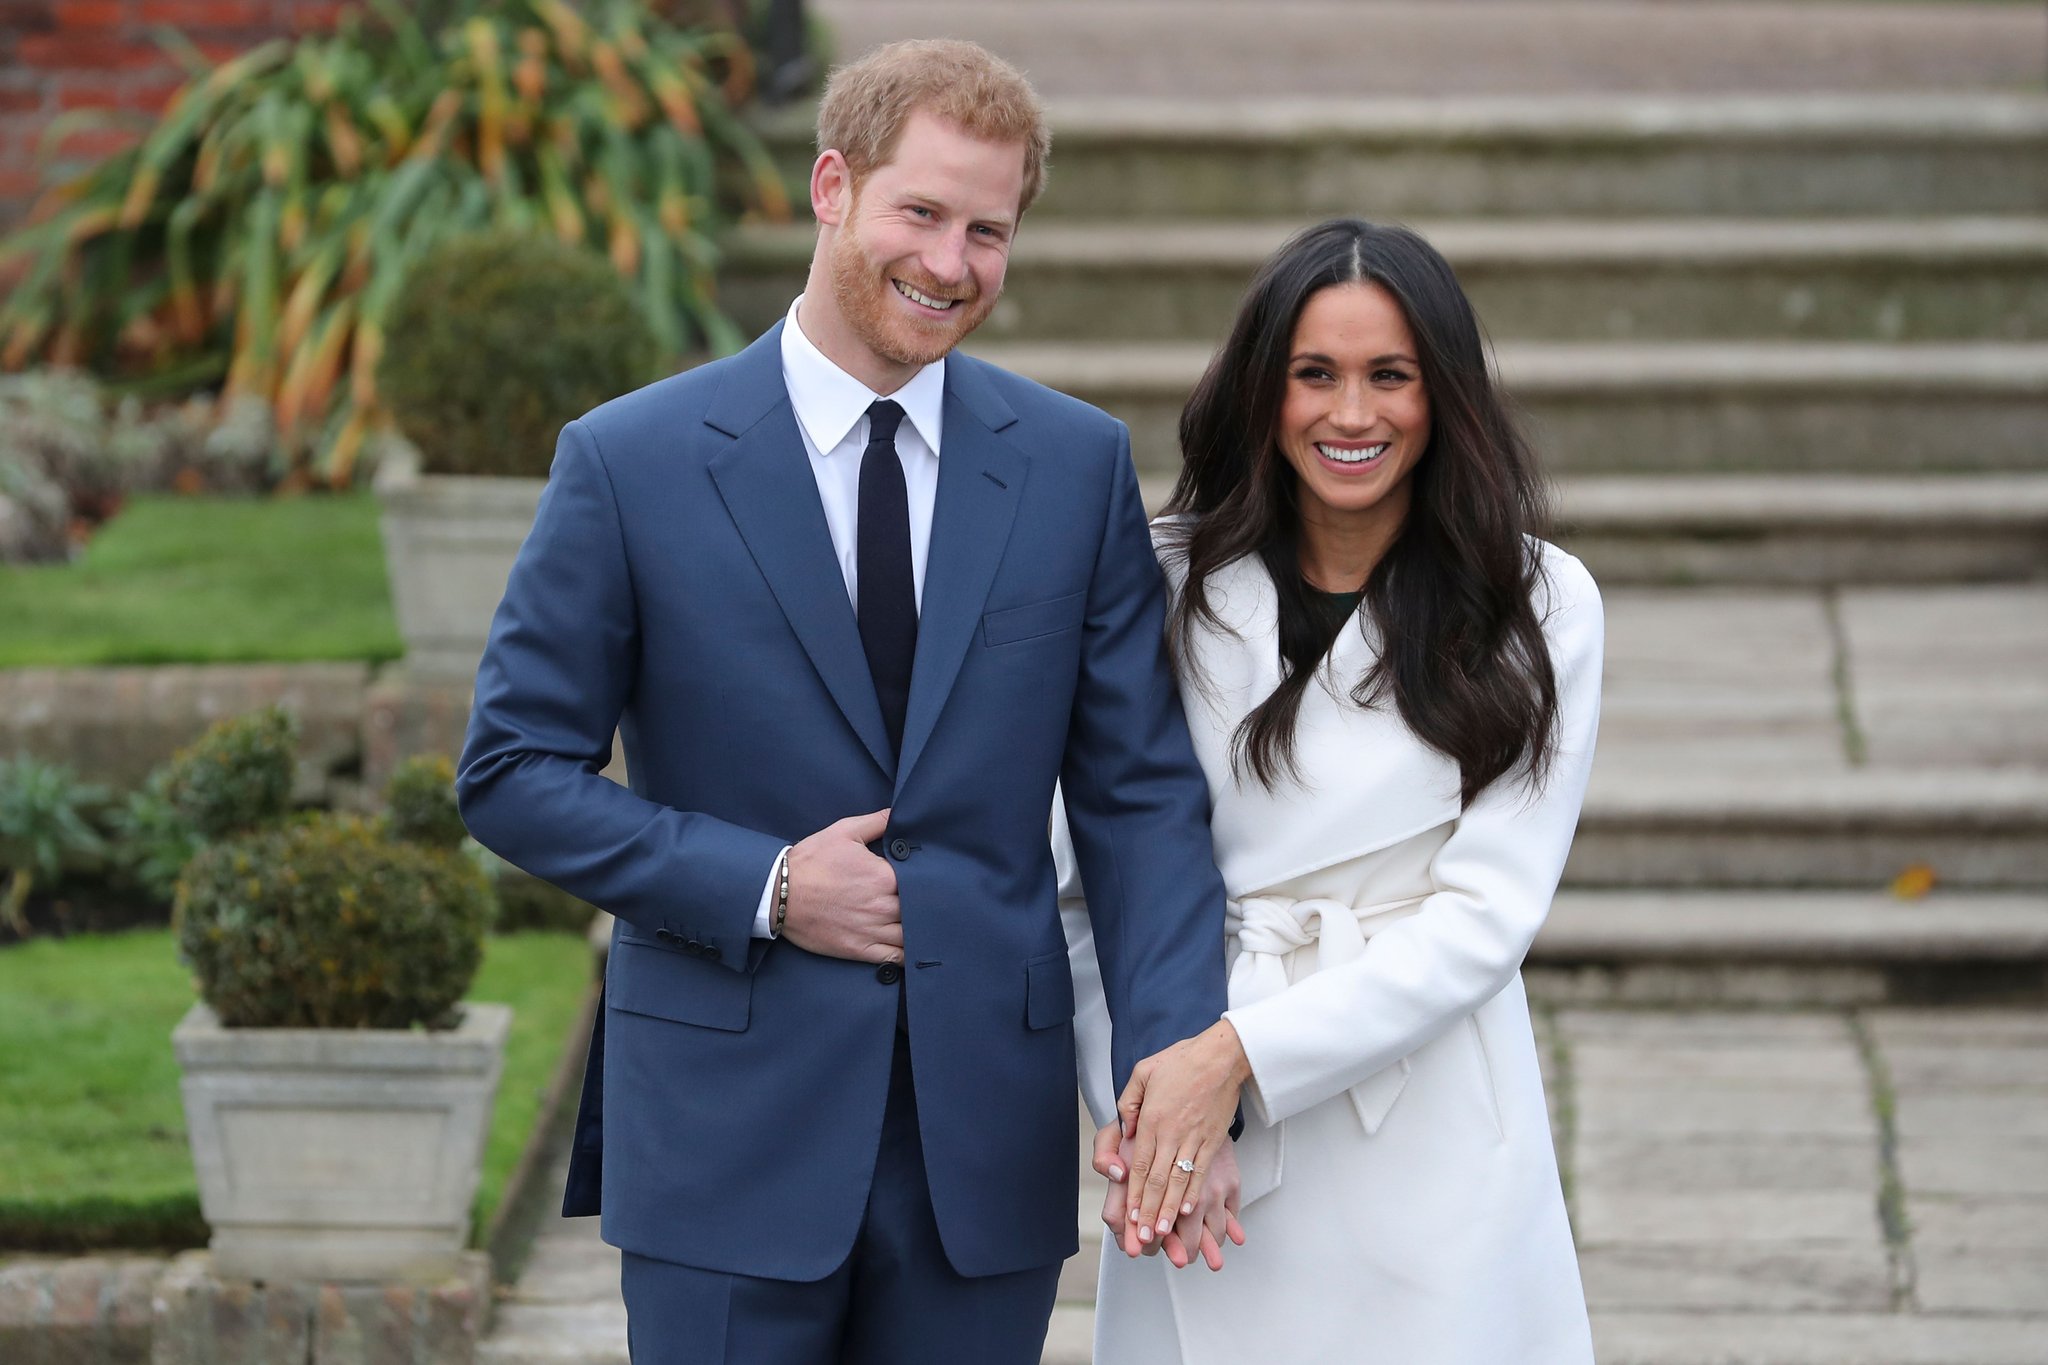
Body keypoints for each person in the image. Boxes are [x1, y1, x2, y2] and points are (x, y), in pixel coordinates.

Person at [455, 38, 1242, 1365]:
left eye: (987, 231)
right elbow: (511, 771)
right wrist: (766, 886)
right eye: (919, 212)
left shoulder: (1072, 466)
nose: (949, 263)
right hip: (722, 1130)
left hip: (980, 1149)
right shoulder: (631, 462)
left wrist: (1170, 1080)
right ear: (832, 188)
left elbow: (1140, 802)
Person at [1058, 218, 1604, 1362]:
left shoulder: (1536, 602)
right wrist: (1154, 1108)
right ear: (1261, 388)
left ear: (1442, 393)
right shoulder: (1161, 580)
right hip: (1188, 1096)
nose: (1350, 415)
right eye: (1314, 374)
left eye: (1388, 376)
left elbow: (1485, 918)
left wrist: (1238, 1061)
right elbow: (1082, 883)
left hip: (1421, 1108)